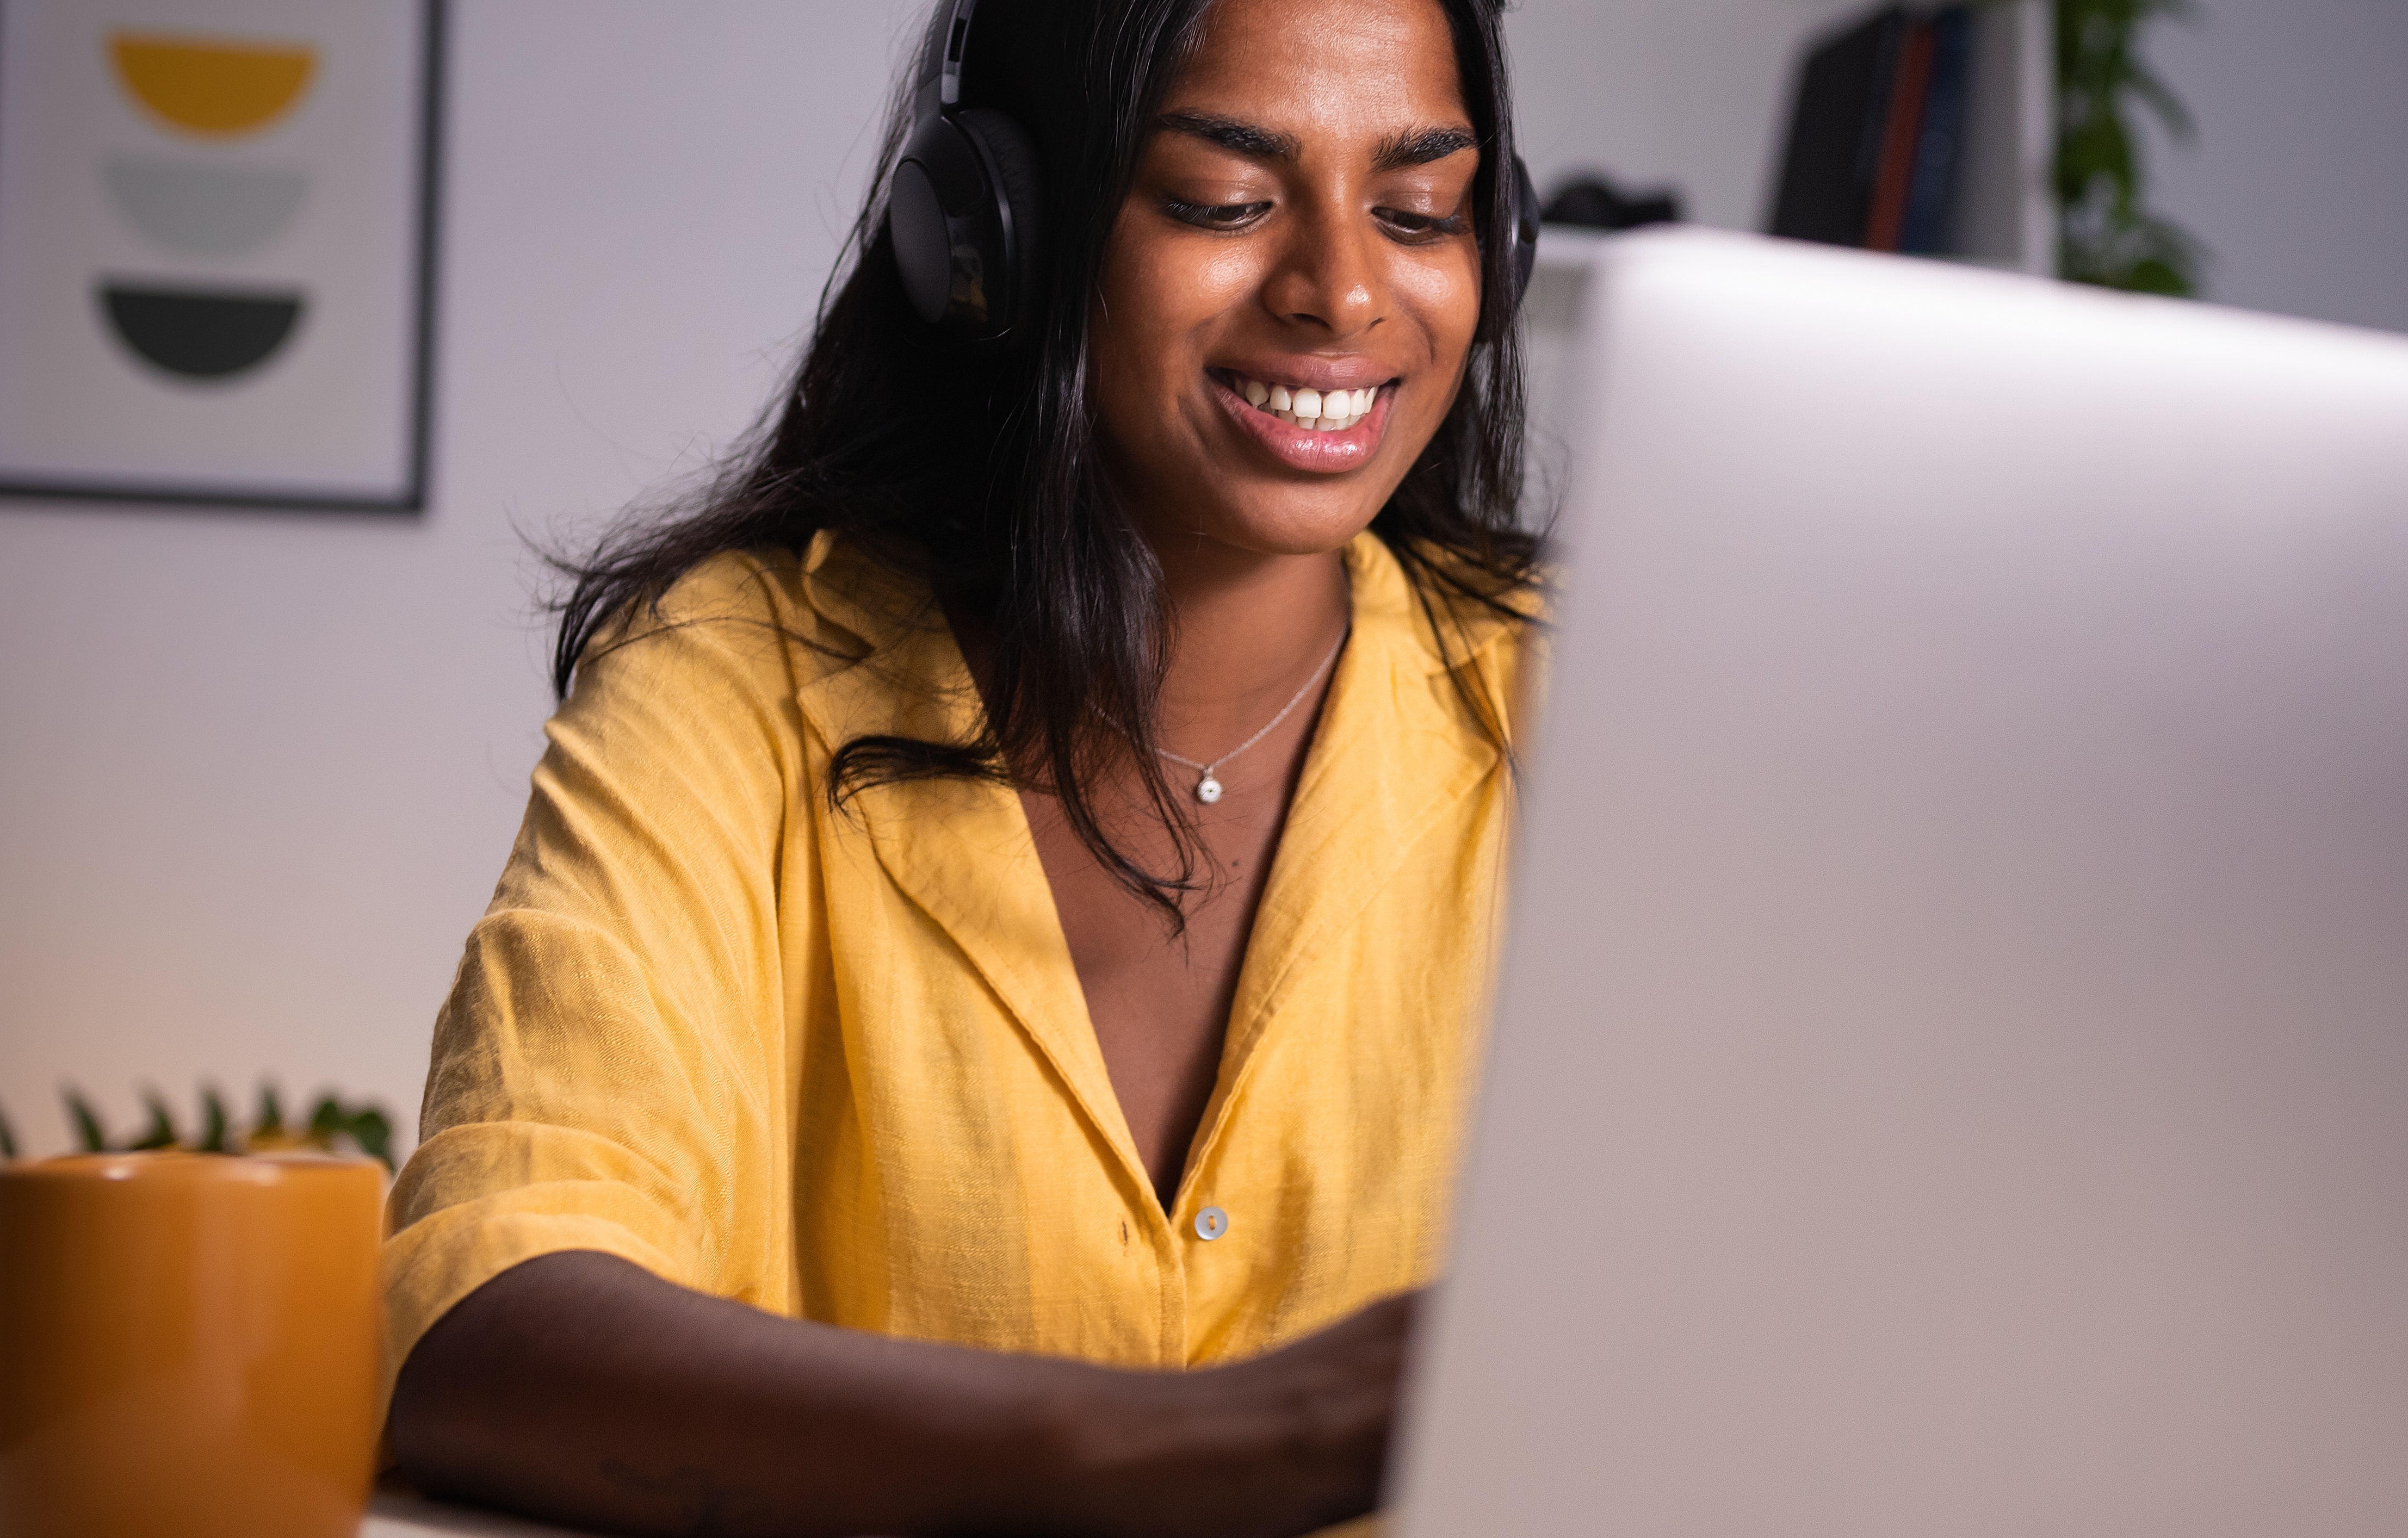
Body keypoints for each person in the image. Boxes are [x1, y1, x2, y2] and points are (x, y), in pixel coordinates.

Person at [381, 0, 1541, 1533]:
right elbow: (479, 1324)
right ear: (1000, 237)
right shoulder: (739, 676)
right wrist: (1203, 1441)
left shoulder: (1589, 702)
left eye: (1418, 211)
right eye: (1223, 201)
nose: (1340, 290)